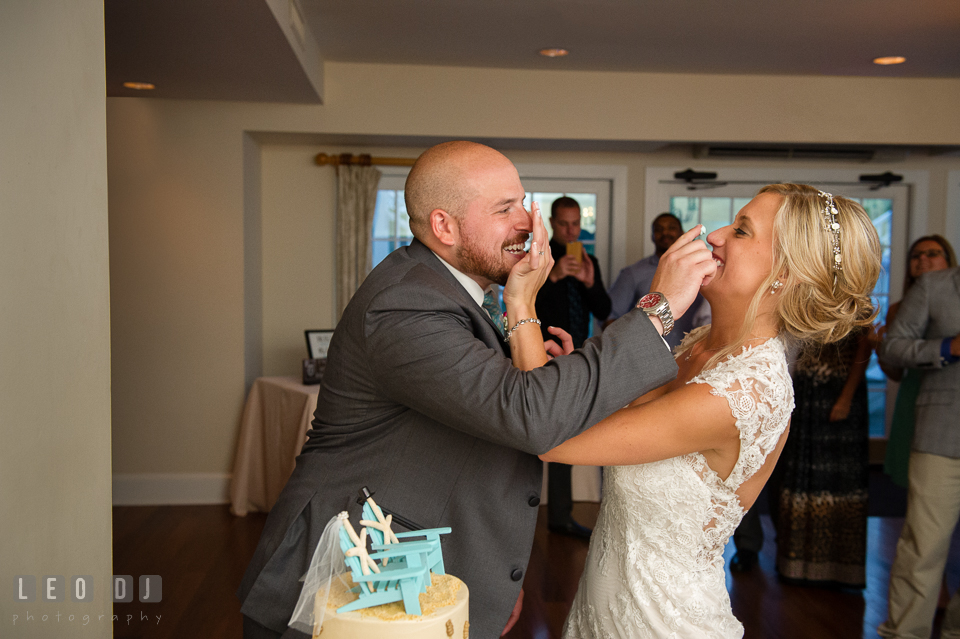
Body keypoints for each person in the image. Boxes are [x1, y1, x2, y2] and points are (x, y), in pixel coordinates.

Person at [236, 141, 713, 639]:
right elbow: (529, 413)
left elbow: (493, 412)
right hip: (350, 580)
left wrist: (489, 577)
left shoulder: (454, 290)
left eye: (523, 203)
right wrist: (659, 310)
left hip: (423, 569)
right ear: (444, 226)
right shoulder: (405, 303)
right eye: (505, 209)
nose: (528, 222)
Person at [505, 184, 881, 638]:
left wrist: (521, 303)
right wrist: (570, 377)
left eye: (741, 231)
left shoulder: (743, 390)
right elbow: (607, 418)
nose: (716, 236)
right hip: (606, 603)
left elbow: (550, 437)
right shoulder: (698, 345)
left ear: (785, 274)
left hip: (662, 622)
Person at [877, 263, 960, 639]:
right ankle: (906, 632)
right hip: (943, 435)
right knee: (924, 545)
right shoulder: (936, 285)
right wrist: (947, 347)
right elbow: (893, 346)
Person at [535, 196, 612, 539]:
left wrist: (590, 283)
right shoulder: (538, 259)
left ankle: (562, 515)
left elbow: (605, 308)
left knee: (567, 435)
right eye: (564, 224)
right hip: (541, 357)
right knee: (538, 436)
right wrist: (550, 280)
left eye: (576, 224)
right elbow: (523, 308)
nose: (571, 230)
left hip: (581, 359)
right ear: (553, 223)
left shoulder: (587, 259)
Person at [774, 328, 873, 587]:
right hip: (807, 393)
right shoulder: (805, 295)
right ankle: (798, 564)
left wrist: (846, 398)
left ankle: (840, 570)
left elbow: (864, 348)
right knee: (801, 477)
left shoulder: (854, 300)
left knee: (841, 483)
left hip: (838, 394)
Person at [877, 235, 957, 488]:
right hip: (917, 391)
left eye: (932, 253)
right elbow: (894, 366)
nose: (922, 259)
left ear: (948, 259)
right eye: (916, 256)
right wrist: (877, 347)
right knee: (919, 478)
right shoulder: (898, 308)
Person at [607, 212, 711, 350]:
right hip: (650, 358)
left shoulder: (703, 269)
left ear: (681, 233)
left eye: (671, 228)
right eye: (659, 229)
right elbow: (610, 320)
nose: (665, 233)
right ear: (652, 236)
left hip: (696, 356)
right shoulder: (633, 273)